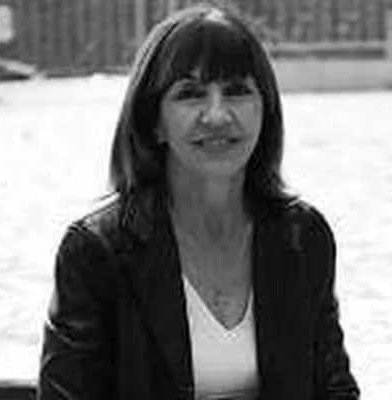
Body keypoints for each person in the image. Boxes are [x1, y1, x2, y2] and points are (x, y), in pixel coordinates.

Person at [37, 4, 360, 400]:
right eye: (190, 94)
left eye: (237, 91)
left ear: (265, 110)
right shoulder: (96, 252)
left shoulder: (302, 237)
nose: (217, 115)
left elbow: (334, 389)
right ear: (154, 122)